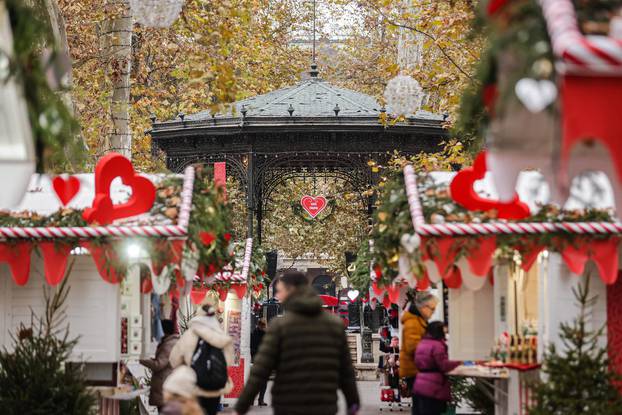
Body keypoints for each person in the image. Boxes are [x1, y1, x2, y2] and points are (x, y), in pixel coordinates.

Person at [233, 270, 360, 415]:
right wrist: (353, 404)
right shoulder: (335, 325)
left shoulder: (280, 326)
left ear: (291, 290)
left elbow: (260, 371)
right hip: (324, 405)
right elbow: (346, 371)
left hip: (288, 405)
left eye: (279, 291)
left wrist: (240, 408)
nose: (277, 296)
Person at [169, 302, 234, 415]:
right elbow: (228, 361)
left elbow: (174, 360)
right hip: (215, 388)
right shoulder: (221, 337)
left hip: (194, 387)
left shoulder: (190, 335)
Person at [400, 292, 438, 414]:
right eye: (432, 309)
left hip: (418, 370)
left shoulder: (418, 320)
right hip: (416, 371)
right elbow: (413, 347)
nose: (433, 312)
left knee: (421, 406)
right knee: (422, 407)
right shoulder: (413, 322)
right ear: (423, 307)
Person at [413, 322, 461, 415]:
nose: (446, 333)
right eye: (444, 330)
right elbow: (443, 365)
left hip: (420, 382)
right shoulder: (437, 345)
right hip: (433, 385)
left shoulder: (422, 343)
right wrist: (458, 361)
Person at [139, 319, 179, 411]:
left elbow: (158, 365)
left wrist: (140, 358)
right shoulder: (171, 342)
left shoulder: (169, 345)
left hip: (164, 387)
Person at [250, 318, 268, 406]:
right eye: (263, 325)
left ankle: (260, 400)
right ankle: (258, 400)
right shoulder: (255, 334)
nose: (264, 327)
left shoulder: (256, 333)